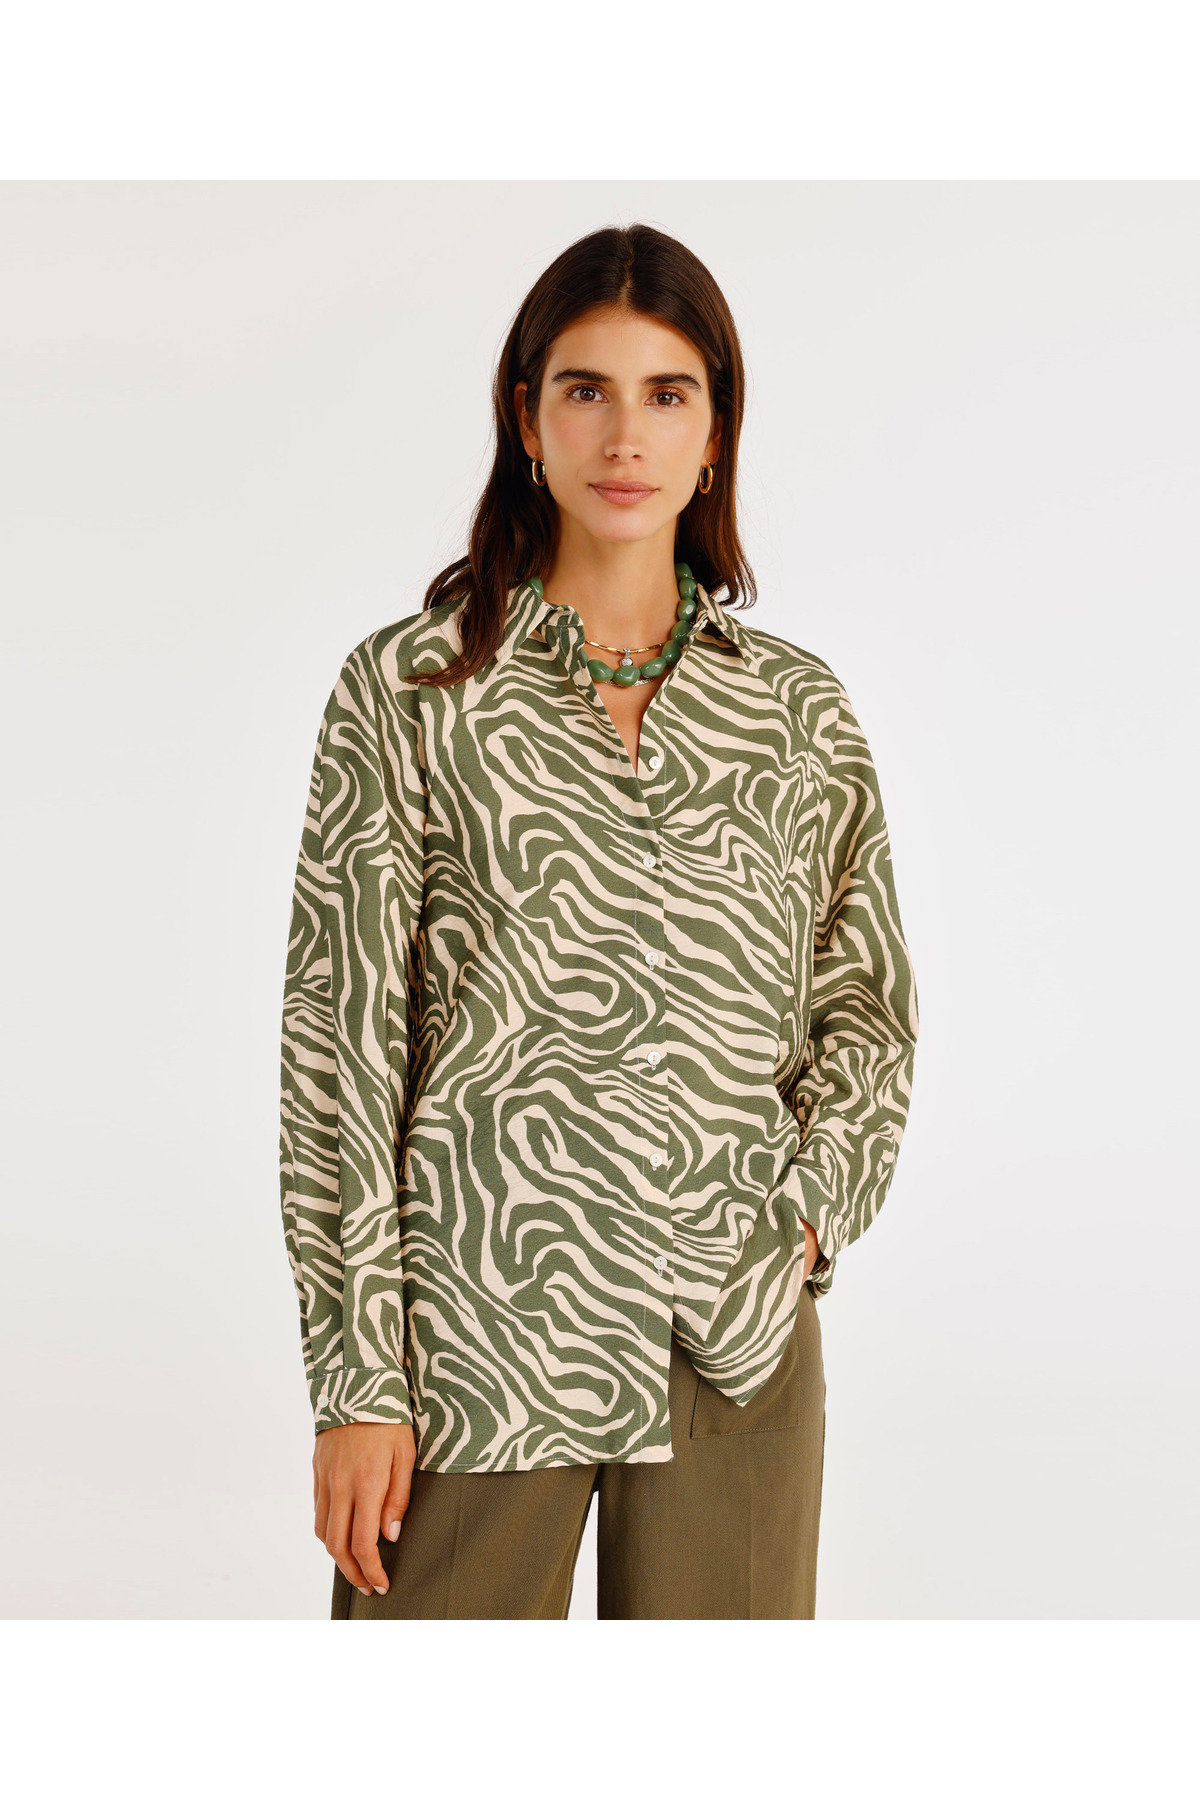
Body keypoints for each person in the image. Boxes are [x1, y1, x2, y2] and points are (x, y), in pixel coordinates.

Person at [278, 222, 919, 1619]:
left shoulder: (798, 716)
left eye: (666, 393)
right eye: (586, 390)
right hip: (475, 1341)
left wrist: (807, 1221)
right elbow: (340, 1054)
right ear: (527, 420)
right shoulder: (411, 694)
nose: (625, 436)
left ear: (715, 431)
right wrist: (356, 1381)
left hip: (732, 1341)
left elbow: (866, 1011)